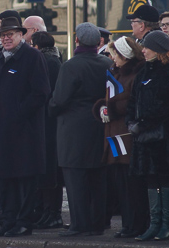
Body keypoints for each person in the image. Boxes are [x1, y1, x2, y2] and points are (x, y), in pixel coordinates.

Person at [0, 17, 50, 237]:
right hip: (2, 133)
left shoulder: (33, 57)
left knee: (24, 181)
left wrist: (17, 114)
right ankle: (8, 221)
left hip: (25, 133)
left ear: (21, 35)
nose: (5, 38)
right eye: (2, 35)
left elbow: (41, 93)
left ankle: (23, 223)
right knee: (5, 180)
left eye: (10, 34)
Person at [49, 22, 113, 237]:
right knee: (98, 178)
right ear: (98, 42)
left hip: (73, 130)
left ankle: (79, 224)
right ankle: (98, 224)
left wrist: (51, 110)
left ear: (77, 41)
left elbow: (59, 100)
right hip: (100, 126)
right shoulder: (107, 63)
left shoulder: (71, 65)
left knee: (75, 179)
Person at [126, 30, 169, 241]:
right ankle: (154, 223)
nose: (143, 50)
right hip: (144, 137)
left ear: (158, 50)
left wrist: (143, 123)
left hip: (164, 136)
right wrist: (131, 121)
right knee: (150, 179)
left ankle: (166, 225)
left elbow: (167, 105)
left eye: (147, 47)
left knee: (166, 178)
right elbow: (133, 100)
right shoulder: (143, 72)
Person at [92, 36, 148, 238]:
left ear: (125, 55)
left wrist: (111, 108)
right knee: (120, 183)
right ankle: (128, 224)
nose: (112, 58)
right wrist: (101, 107)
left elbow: (133, 101)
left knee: (131, 185)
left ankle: (135, 224)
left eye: (115, 54)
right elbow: (109, 98)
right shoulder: (115, 73)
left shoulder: (136, 73)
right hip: (114, 136)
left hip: (126, 136)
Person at [30, 31, 63, 229]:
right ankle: (46, 211)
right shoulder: (52, 60)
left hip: (47, 123)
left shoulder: (47, 62)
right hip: (48, 122)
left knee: (49, 169)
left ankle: (52, 213)